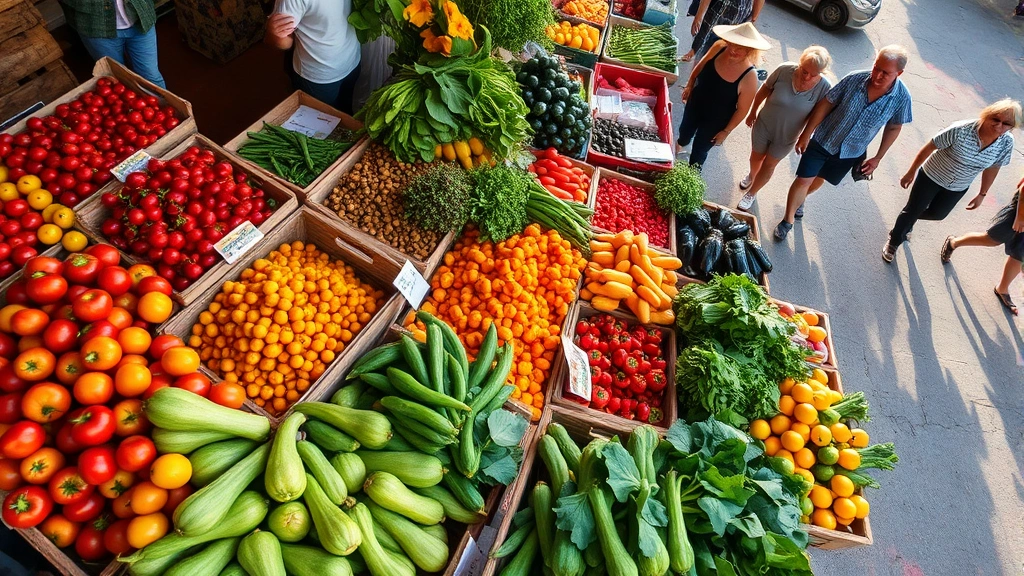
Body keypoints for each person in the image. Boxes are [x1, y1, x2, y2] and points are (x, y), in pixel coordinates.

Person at [774, 45, 913, 241]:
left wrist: (878, 158)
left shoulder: (902, 98)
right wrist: (807, 133)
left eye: (885, 73)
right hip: (824, 139)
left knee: (819, 178)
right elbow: (827, 102)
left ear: (899, 73)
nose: (878, 75)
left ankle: (801, 200)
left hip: (850, 152)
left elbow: (893, 127)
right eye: (876, 67)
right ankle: (787, 220)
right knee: (803, 179)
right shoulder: (855, 79)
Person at [883, 99, 1021, 262]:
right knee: (913, 209)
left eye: (1006, 124)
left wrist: (982, 193)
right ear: (986, 115)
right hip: (932, 176)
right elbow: (930, 147)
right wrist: (911, 172)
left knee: (938, 214)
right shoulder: (960, 130)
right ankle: (895, 239)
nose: (999, 126)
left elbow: (993, 168)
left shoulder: (1006, 143)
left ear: (1012, 127)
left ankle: (906, 220)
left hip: (958, 185)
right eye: (995, 119)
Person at [736, 46, 833, 211]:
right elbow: (764, 89)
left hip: (787, 135)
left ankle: (752, 193)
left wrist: (805, 136)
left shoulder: (824, 87)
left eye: (814, 74)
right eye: (804, 71)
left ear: (821, 73)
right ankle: (752, 175)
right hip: (764, 124)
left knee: (769, 165)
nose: (807, 76)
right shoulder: (784, 70)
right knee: (756, 157)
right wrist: (753, 112)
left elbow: (817, 115)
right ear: (800, 63)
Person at [677, 23, 767, 169]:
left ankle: (691, 175)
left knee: (700, 151)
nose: (732, 50)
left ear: (750, 51)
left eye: (739, 48)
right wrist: (690, 84)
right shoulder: (719, 47)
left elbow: (742, 110)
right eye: (732, 44)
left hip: (716, 122)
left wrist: (726, 131)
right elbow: (700, 66)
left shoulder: (750, 77)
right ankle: (679, 147)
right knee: (684, 132)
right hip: (695, 103)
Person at [942, 176, 1024, 315]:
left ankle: (1002, 288)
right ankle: (954, 242)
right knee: (992, 239)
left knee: (1019, 255)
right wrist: (1020, 217)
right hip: (1019, 216)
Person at [266, 0, 361, 115]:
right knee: (322, 121)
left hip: (352, 61)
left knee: (347, 111)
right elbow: (283, 41)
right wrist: (273, 33)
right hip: (319, 77)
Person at [59, 0, 166, 88]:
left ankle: (169, 112)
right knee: (116, 81)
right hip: (96, 28)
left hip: (140, 18)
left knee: (151, 76)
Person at [681, 0, 764, 62]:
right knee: (707, 36)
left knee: (730, 46)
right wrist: (699, 16)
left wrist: (753, 18)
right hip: (719, 7)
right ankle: (696, 52)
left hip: (741, 13)